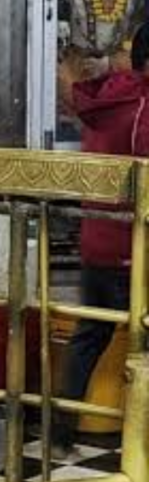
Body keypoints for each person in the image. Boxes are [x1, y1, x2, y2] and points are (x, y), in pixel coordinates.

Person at [54, 23, 149, 456]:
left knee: (89, 336)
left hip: (97, 239)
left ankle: (59, 434)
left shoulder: (111, 96)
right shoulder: (143, 106)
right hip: (136, 244)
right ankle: (138, 442)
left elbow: (71, 89)